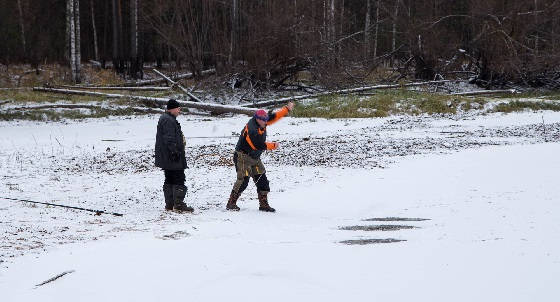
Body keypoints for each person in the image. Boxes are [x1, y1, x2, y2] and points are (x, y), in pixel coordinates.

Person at [226, 101, 295, 212]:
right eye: (263, 120)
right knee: (243, 180)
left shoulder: (263, 121)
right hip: (242, 157)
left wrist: (286, 109)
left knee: (262, 180)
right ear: (257, 119)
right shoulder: (252, 129)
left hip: (255, 158)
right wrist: (273, 145)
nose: (265, 122)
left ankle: (263, 204)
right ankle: (231, 203)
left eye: (266, 120)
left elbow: (275, 116)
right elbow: (257, 145)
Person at [154, 99, 194, 213]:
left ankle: (170, 204)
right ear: (173, 109)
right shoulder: (168, 120)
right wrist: (175, 152)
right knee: (179, 178)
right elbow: (169, 138)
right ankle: (178, 204)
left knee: (170, 178)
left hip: (167, 157)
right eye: (178, 108)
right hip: (171, 157)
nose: (179, 111)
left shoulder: (167, 118)